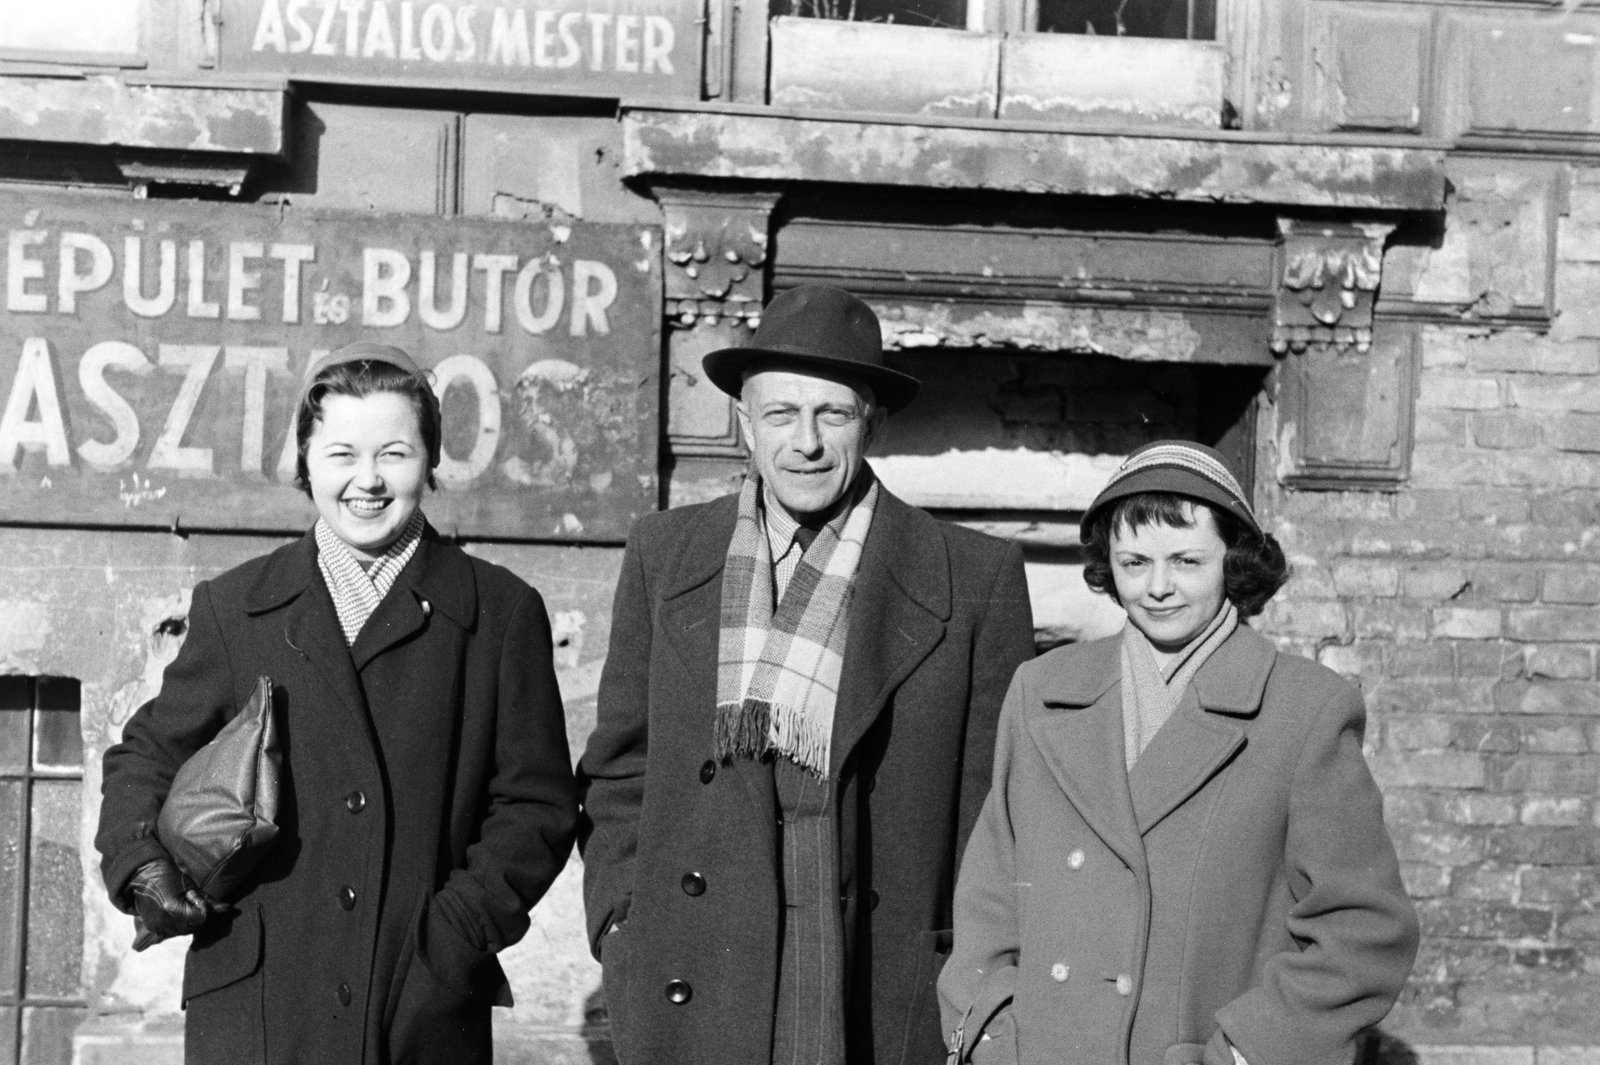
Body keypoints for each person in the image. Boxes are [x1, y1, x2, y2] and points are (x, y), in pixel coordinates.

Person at [579, 284, 1036, 1065]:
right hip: (696, 964)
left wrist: (966, 972)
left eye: (832, 414)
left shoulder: (974, 577)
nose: (807, 442)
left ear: (874, 422)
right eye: (781, 414)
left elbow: (993, 813)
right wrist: (623, 924)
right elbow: (622, 768)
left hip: (869, 974)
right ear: (745, 425)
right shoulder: (666, 554)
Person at [95, 342, 579, 1065]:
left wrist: (450, 935)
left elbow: (536, 806)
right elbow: (144, 755)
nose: (368, 481)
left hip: (418, 1003)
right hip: (260, 1005)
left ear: (432, 459)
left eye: (395, 453)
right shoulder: (236, 607)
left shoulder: (499, 613)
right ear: (306, 462)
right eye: (342, 453)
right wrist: (142, 864)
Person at [939, 440, 1419, 1065]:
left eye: (1187, 561)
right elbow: (990, 895)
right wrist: (994, 1037)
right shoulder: (1043, 690)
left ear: (1235, 562)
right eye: (1134, 562)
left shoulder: (1304, 709)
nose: (1159, 587)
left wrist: (1244, 1054)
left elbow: (1361, 932)